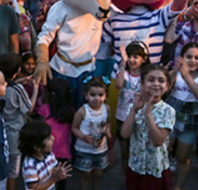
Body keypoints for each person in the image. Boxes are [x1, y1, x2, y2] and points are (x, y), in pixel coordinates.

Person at [120, 64, 175, 190]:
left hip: (156, 167)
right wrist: (134, 110)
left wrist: (148, 114)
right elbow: (124, 134)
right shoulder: (135, 106)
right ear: (142, 84)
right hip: (136, 165)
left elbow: (158, 141)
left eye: (161, 81)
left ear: (166, 86)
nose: (156, 84)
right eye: (151, 80)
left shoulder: (168, 111)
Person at [165, 43, 198, 190]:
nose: (193, 60)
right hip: (171, 114)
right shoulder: (176, 73)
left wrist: (186, 75)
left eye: (197, 58)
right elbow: (165, 87)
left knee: (183, 156)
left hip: (191, 119)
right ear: (181, 58)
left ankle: (178, 186)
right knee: (164, 150)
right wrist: (175, 70)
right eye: (188, 57)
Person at [0, 53, 38, 190]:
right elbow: (29, 109)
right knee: (12, 172)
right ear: (18, 70)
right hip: (14, 134)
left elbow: (7, 87)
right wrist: (35, 89)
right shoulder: (18, 90)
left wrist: (20, 81)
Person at [115, 41, 149, 173]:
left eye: (136, 56)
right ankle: (127, 180)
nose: (131, 60)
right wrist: (122, 64)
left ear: (144, 59)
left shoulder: (147, 76)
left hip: (140, 118)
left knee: (138, 152)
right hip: (122, 117)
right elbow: (118, 85)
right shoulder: (123, 72)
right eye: (129, 56)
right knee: (125, 153)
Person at [72, 78, 111, 190]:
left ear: (105, 95)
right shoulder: (82, 111)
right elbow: (74, 128)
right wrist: (83, 137)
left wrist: (107, 131)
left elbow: (108, 123)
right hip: (84, 150)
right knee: (85, 175)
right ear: (86, 95)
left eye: (100, 95)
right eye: (93, 94)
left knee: (98, 175)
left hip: (100, 149)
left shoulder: (106, 108)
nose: (97, 98)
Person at [36, 79, 74, 190]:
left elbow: (40, 127)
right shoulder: (70, 111)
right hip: (63, 152)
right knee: (62, 180)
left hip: (46, 150)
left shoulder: (44, 109)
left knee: (46, 179)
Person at [19, 121, 73, 190]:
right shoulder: (30, 166)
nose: (53, 138)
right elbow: (34, 188)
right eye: (48, 138)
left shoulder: (49, 155)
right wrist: (53, 179)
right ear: (37, 147)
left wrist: (59, 171)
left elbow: (54, 168)